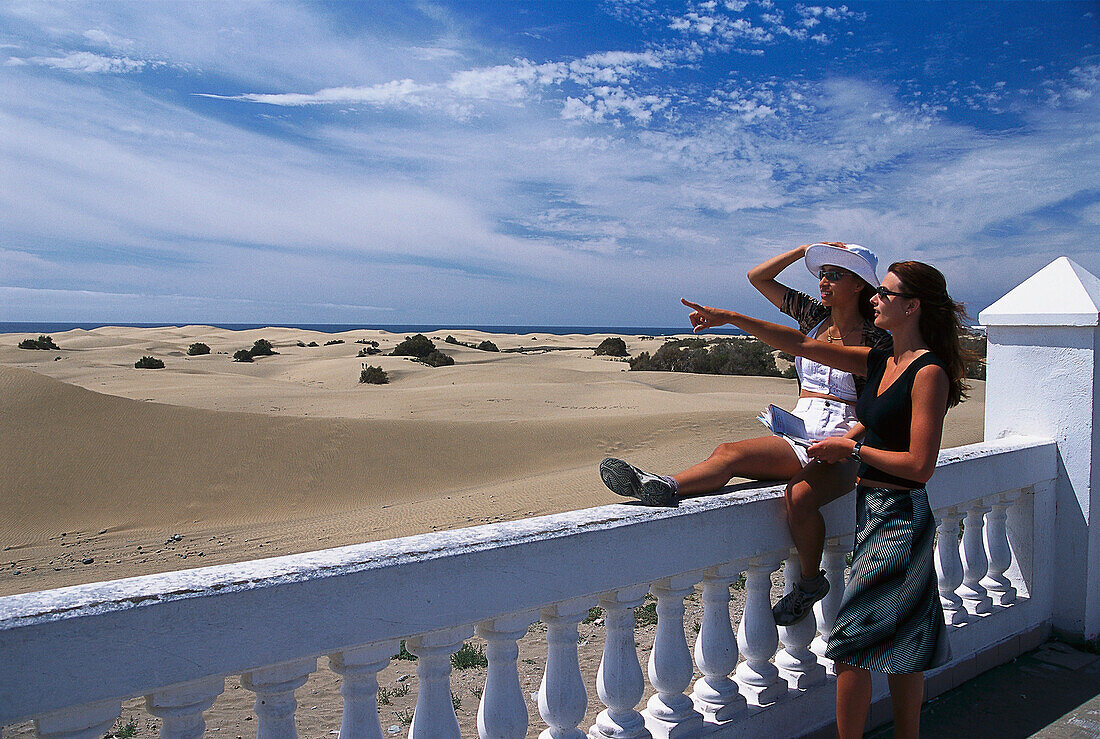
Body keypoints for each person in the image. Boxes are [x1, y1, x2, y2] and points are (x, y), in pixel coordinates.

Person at [680, 260, 974, 739]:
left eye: (885, 293)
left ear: (913, 306)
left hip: (900, 517)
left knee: (852, 643)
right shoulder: (883, 362)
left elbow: (921, 465)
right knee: (904, 642)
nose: (875, 299)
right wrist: (732, 317)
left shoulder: (928, 373)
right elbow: (802, 344)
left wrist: (852, 448)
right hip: (874, 510)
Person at [599, 242, 891, 626]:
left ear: (858, 285)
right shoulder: (814, 317)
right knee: (729, 451)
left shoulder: (878, 338)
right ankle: (663, 485)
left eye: (834, 274)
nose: (823, 280)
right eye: (821, 272)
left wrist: (847, 442)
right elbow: (759, 277)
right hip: (799, 430)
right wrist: (805, 249)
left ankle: (808, 583)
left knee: (800, 496)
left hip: (847, 442)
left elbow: (882, 404)